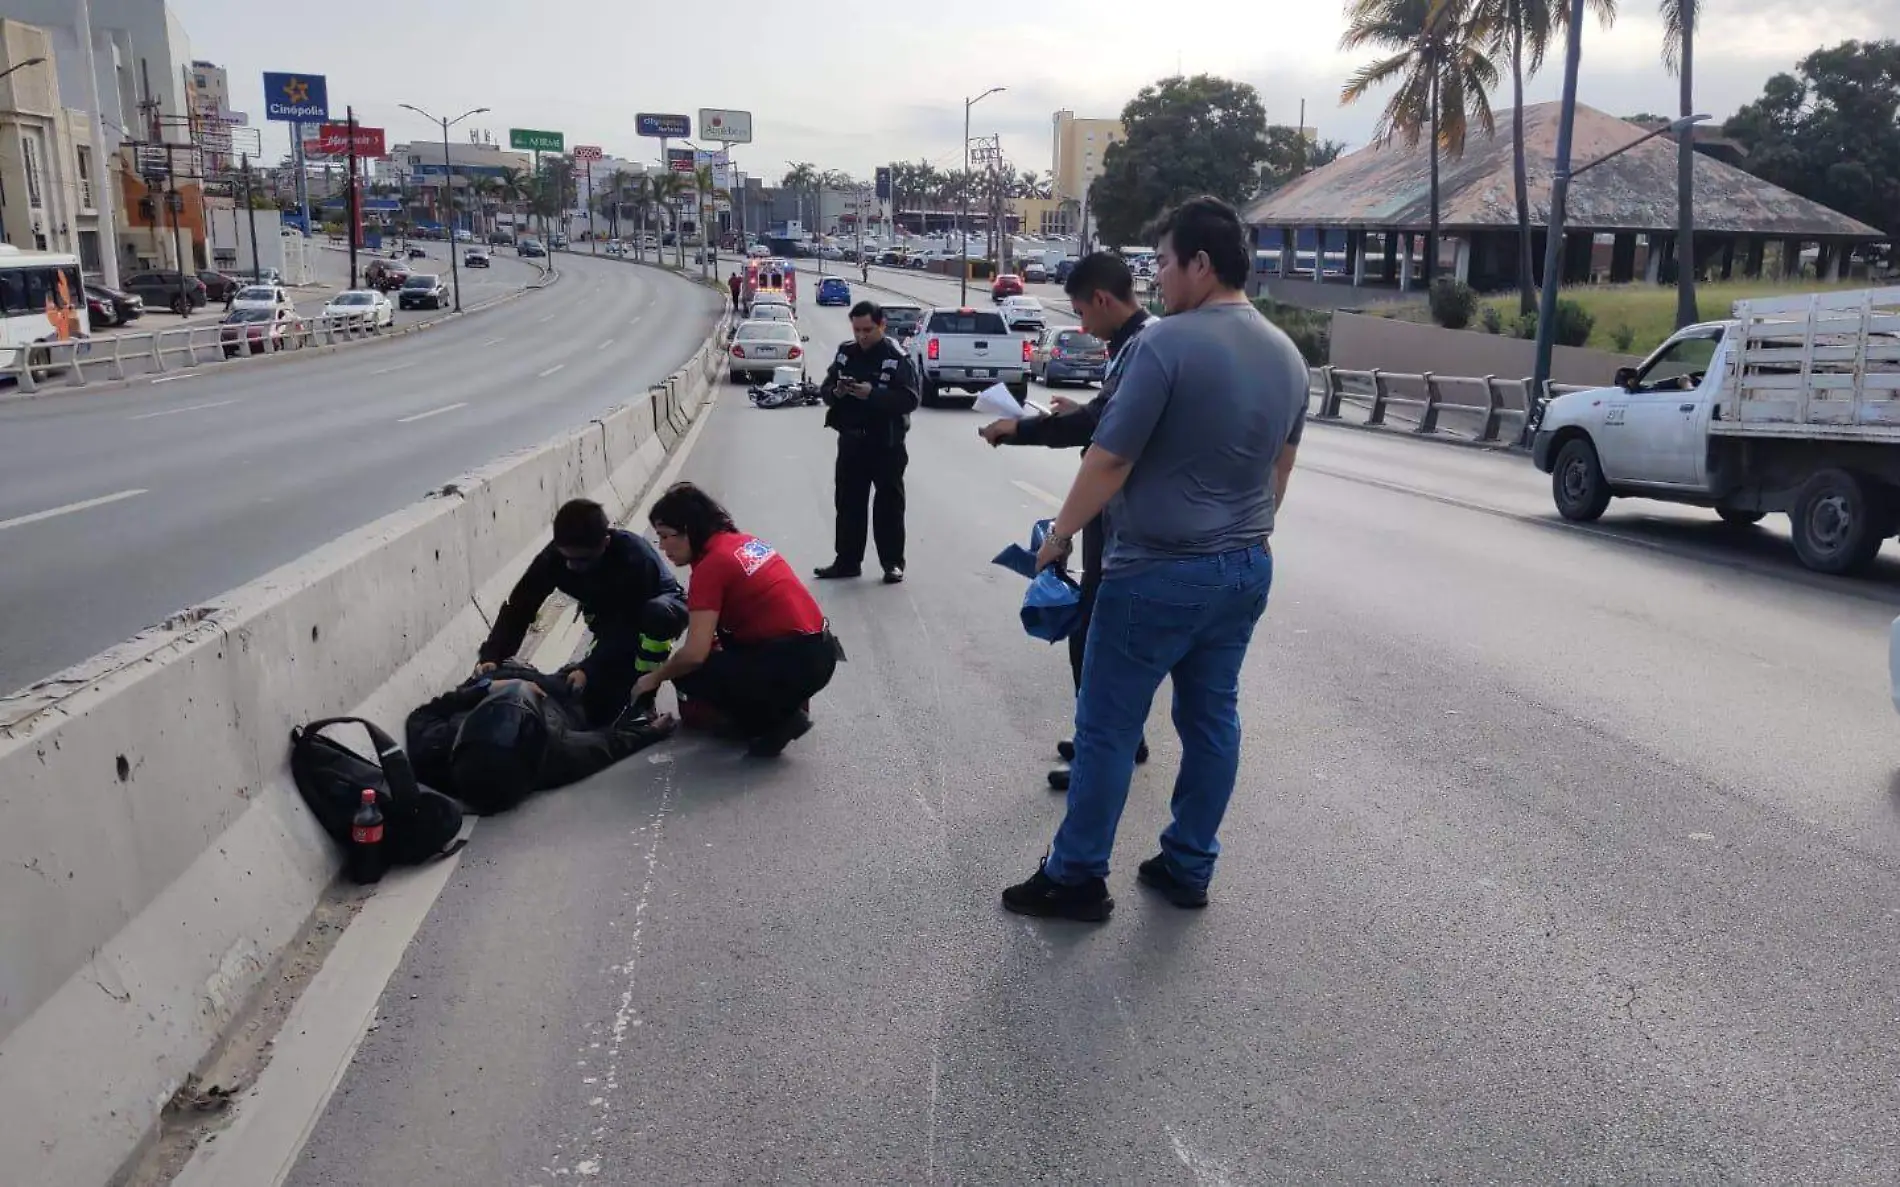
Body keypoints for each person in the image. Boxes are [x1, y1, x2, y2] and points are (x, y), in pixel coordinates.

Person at [1001, 196, 1306, 923]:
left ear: (1201, 264)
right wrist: (1248, 533)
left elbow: (1109, 457)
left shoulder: (1164, 344)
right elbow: (1281, 470)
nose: (1159, 277)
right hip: (1243, 568)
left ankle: (1075, 875)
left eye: (1165, 262)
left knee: (1106, 726)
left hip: (1157, 574)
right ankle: (1187, 861)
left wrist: (1059, 535)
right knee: (1211, 720)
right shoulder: (1288, 354)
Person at [979, 252, 1154, 791]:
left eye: (1081, 312)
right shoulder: (1132, 347)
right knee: (1101, 636)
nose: (1080, 326)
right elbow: (1103, 414)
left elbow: (1102, 429)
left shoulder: (1146, 346)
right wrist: (1064, 416)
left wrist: (1017, 429)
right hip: (1119, 519)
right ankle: (1116, 737)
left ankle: (1104, 754)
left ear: (1102, 300)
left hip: (1126, 522)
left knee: (1095, 639)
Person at [636, 483, 842, 757]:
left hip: (793, 662)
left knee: (690, 675)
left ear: (688, 530)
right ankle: (785, 705)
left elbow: (694, 655)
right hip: (822, 651)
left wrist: (653, 679)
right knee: (723, 650)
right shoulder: (741, 542)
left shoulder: (711, 567)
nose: (662, 547)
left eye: (665, 536)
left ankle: (772, 719)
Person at [477, 498, 688, 729]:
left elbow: (629, 626)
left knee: (653, 621)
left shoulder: (633, 557)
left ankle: (645, 702)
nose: (572, 567)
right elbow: (519, 607)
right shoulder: (553, 558)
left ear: (606, 542)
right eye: (568, 558)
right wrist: (493, 655)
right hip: (607, 615)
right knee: (595, 706)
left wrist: (590, 668)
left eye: (583, 560)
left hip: (658, 610)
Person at [406, 661, 676, 814]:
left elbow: (424, 713)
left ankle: (508, 673)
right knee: (594, 687)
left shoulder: (435, 749)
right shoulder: (557, 754)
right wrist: (650, 731)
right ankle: (531, 672)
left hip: (495, 685)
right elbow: (609, 744)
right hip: (553, 696)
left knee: (494, 671)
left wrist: (486, 688)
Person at [815, 301, 920, 585]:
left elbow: (910, 399)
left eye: (868, 330)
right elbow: (825, 390)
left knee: (888, 507)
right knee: (848, 505)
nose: (862, 336)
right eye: (857, 329)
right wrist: (836, 391)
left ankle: (892, 564)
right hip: (851, 442)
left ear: (882, 326)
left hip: (886, 444)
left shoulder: (896, 357)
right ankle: (847, 561)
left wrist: (871, 394)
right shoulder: (846, 353)